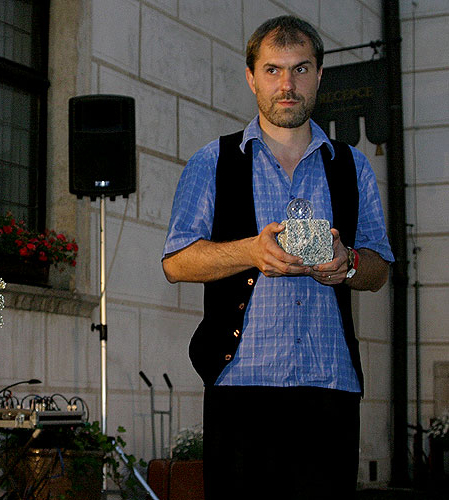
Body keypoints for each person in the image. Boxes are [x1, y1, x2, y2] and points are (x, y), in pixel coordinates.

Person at [162, 16, 393, 499]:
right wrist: (252, 251)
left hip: (330, 387)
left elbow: (379, 270)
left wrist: (345, 262)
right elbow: (177, 262)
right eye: (272, 70)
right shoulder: (214, 161)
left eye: (300, 69)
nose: (287, 85)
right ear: (251, 77)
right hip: (241, 388)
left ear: (319, 76)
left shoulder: (353, 167)